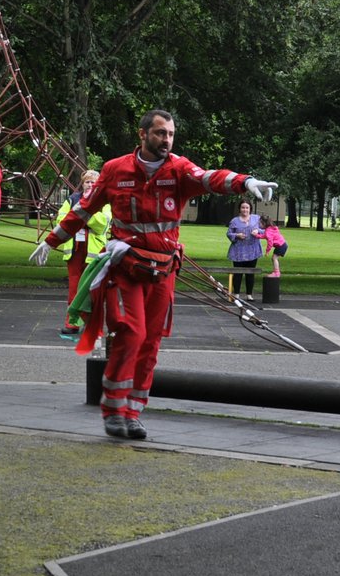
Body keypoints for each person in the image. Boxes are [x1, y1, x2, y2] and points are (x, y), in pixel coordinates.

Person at [31, 109, 276, 440]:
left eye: (171, 134)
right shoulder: (115, 170)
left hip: (162, 270)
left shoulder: (178, 169)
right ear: (142, 134)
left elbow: (210, 177)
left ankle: (132, 413)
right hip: (126, 267)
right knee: (130, 332)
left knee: (151, 341)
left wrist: (244, 182)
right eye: (161, 133)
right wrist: (51, 241)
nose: (167, 140)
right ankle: (113, 409)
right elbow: (83, 209)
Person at [54, 169, 112, 339]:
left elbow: (102, 224)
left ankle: (93, 326)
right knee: (74, 290)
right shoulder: (72, 199)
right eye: (87, 182)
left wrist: (81, 215)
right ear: (83, 183)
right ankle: (71, 324)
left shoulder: (105, 201)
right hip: (75, 251)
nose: (90, 185)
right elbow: (62, 221)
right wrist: (86, 216)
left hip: (95, 253)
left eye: (94, 182)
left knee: (94, 291)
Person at [225, 199, 263, 296]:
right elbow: (229, 233)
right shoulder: (234, 221)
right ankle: (236, 294)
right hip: (238, 251)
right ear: (239, 209)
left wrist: (257, 231)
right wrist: (237, 235)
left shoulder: (256, 218)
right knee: (238, 273)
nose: (245, 210)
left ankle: (249, 295)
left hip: (253, 250)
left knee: (250, 273)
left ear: (250, 209)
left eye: (247, 207)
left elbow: (265, 230)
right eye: (243, 207)